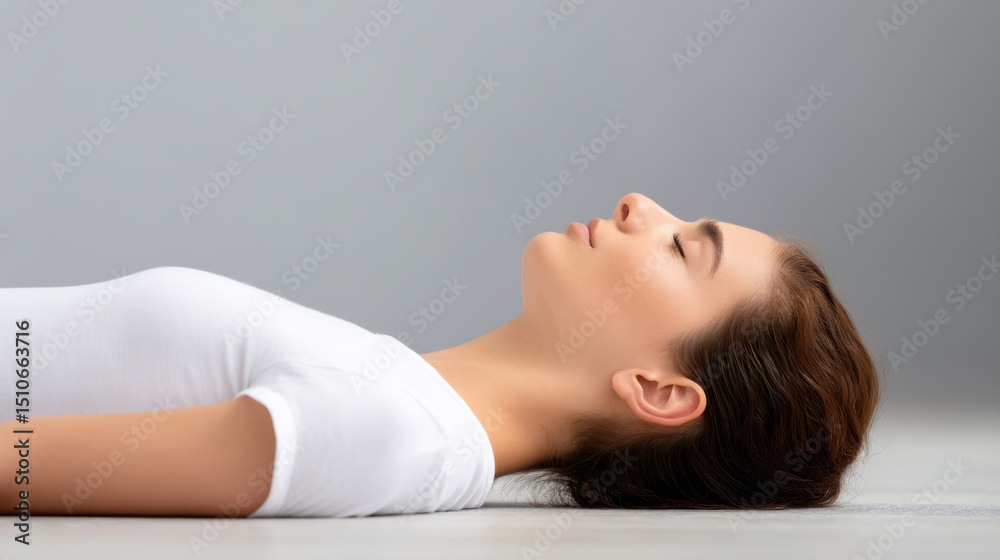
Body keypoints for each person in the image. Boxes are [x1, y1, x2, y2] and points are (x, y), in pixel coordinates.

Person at [1, 192, 881, 517]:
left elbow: (25, 469)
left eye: (683, 247)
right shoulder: (400, 391)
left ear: (657, 390)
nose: (637, 205)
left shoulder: (388, 428)